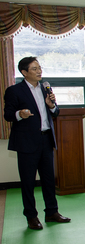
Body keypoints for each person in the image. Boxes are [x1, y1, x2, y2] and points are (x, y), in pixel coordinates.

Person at [3, 56, 70, 229]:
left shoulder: (45, 88)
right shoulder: (14, 91)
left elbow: (55, 112)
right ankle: (31, 216)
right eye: (34, 68)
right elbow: (8, 115)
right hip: (26, 142)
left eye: (40, 67)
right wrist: (20, 114)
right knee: (28, 181)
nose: (39, 71)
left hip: (46, 139)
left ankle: (52, 212)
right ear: (24, 72)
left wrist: (51, 105)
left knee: (49, 179)